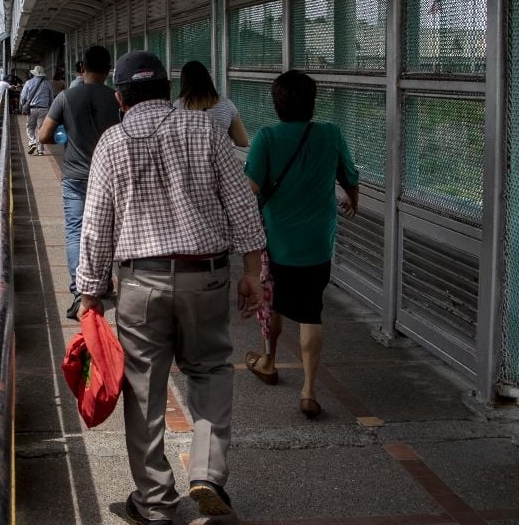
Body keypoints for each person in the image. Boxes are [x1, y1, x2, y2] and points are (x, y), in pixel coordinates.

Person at [75, 51, 266, 523]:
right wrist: (251, 271)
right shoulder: (206, 130)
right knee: (211, 372)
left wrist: (89, 292)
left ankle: (156, 503)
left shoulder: (113, 143)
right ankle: (206, 472)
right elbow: (242, 204)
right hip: (207, 275)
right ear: (167, 89)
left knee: (144, 390)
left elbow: (96, 225)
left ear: (120, 98)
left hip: (141, 282)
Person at [243, 69, 359, 420]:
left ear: (276, 104)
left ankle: (269, 361)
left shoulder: (266, 137)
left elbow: (251, 189)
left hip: (277, 239)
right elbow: (350, 176)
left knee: (273, 301)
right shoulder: (331, 134)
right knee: (311, 308)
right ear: (313, 102)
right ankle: (309, 390)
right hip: (317, 241)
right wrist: (353, 200)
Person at [37, 46, 120, 319]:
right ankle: (104, 284)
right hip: (108, 176)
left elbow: (44, 135)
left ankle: (78, 291)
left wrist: (66, 138)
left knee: (76, 232)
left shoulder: (65, 97)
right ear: (108, 70)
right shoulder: (117, 98)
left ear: (81, 67)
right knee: (105, 231)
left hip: (74, 176)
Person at [173, 60, 249, 147]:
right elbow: (243, 141)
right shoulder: (227, 105)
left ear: (184, 83)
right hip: (222, 159)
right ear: (208, 80)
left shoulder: (176, 108)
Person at [19, 65, 53, 155]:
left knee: (30, 127)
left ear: (34, 73)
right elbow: (51, 98)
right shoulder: (47, 83)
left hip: (32, 109)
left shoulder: (28, 83)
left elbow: (23, 96)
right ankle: (40, 150)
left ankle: (32, 142)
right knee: (41, 129)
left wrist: (23, 106)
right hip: (44, 109)